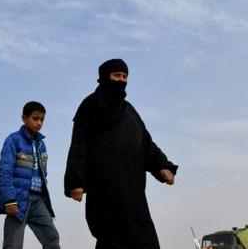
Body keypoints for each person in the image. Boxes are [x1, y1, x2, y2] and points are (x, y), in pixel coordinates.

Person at [64, 59, 178, 249]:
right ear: (104, 77)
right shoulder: (90, 106)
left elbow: (146, 144)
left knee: (145, 239)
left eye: (125, 76)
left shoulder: (130, 111)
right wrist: (76, 182)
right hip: (104, 189)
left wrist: (163, 166)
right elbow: (78, 146)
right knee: (111, 239)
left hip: (133, 192)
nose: (121, 80)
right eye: (116, 75)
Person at [0, 101, 60, 249]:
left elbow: (43, 173)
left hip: (38, 200)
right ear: (24, 118)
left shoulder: (41, 144)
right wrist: (10, 200)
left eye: (42, 120)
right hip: (18, 200)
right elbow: (5, 171)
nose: (39, 123)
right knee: (13, 244)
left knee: (51, 237)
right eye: (35, 118)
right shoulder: (13, 140)